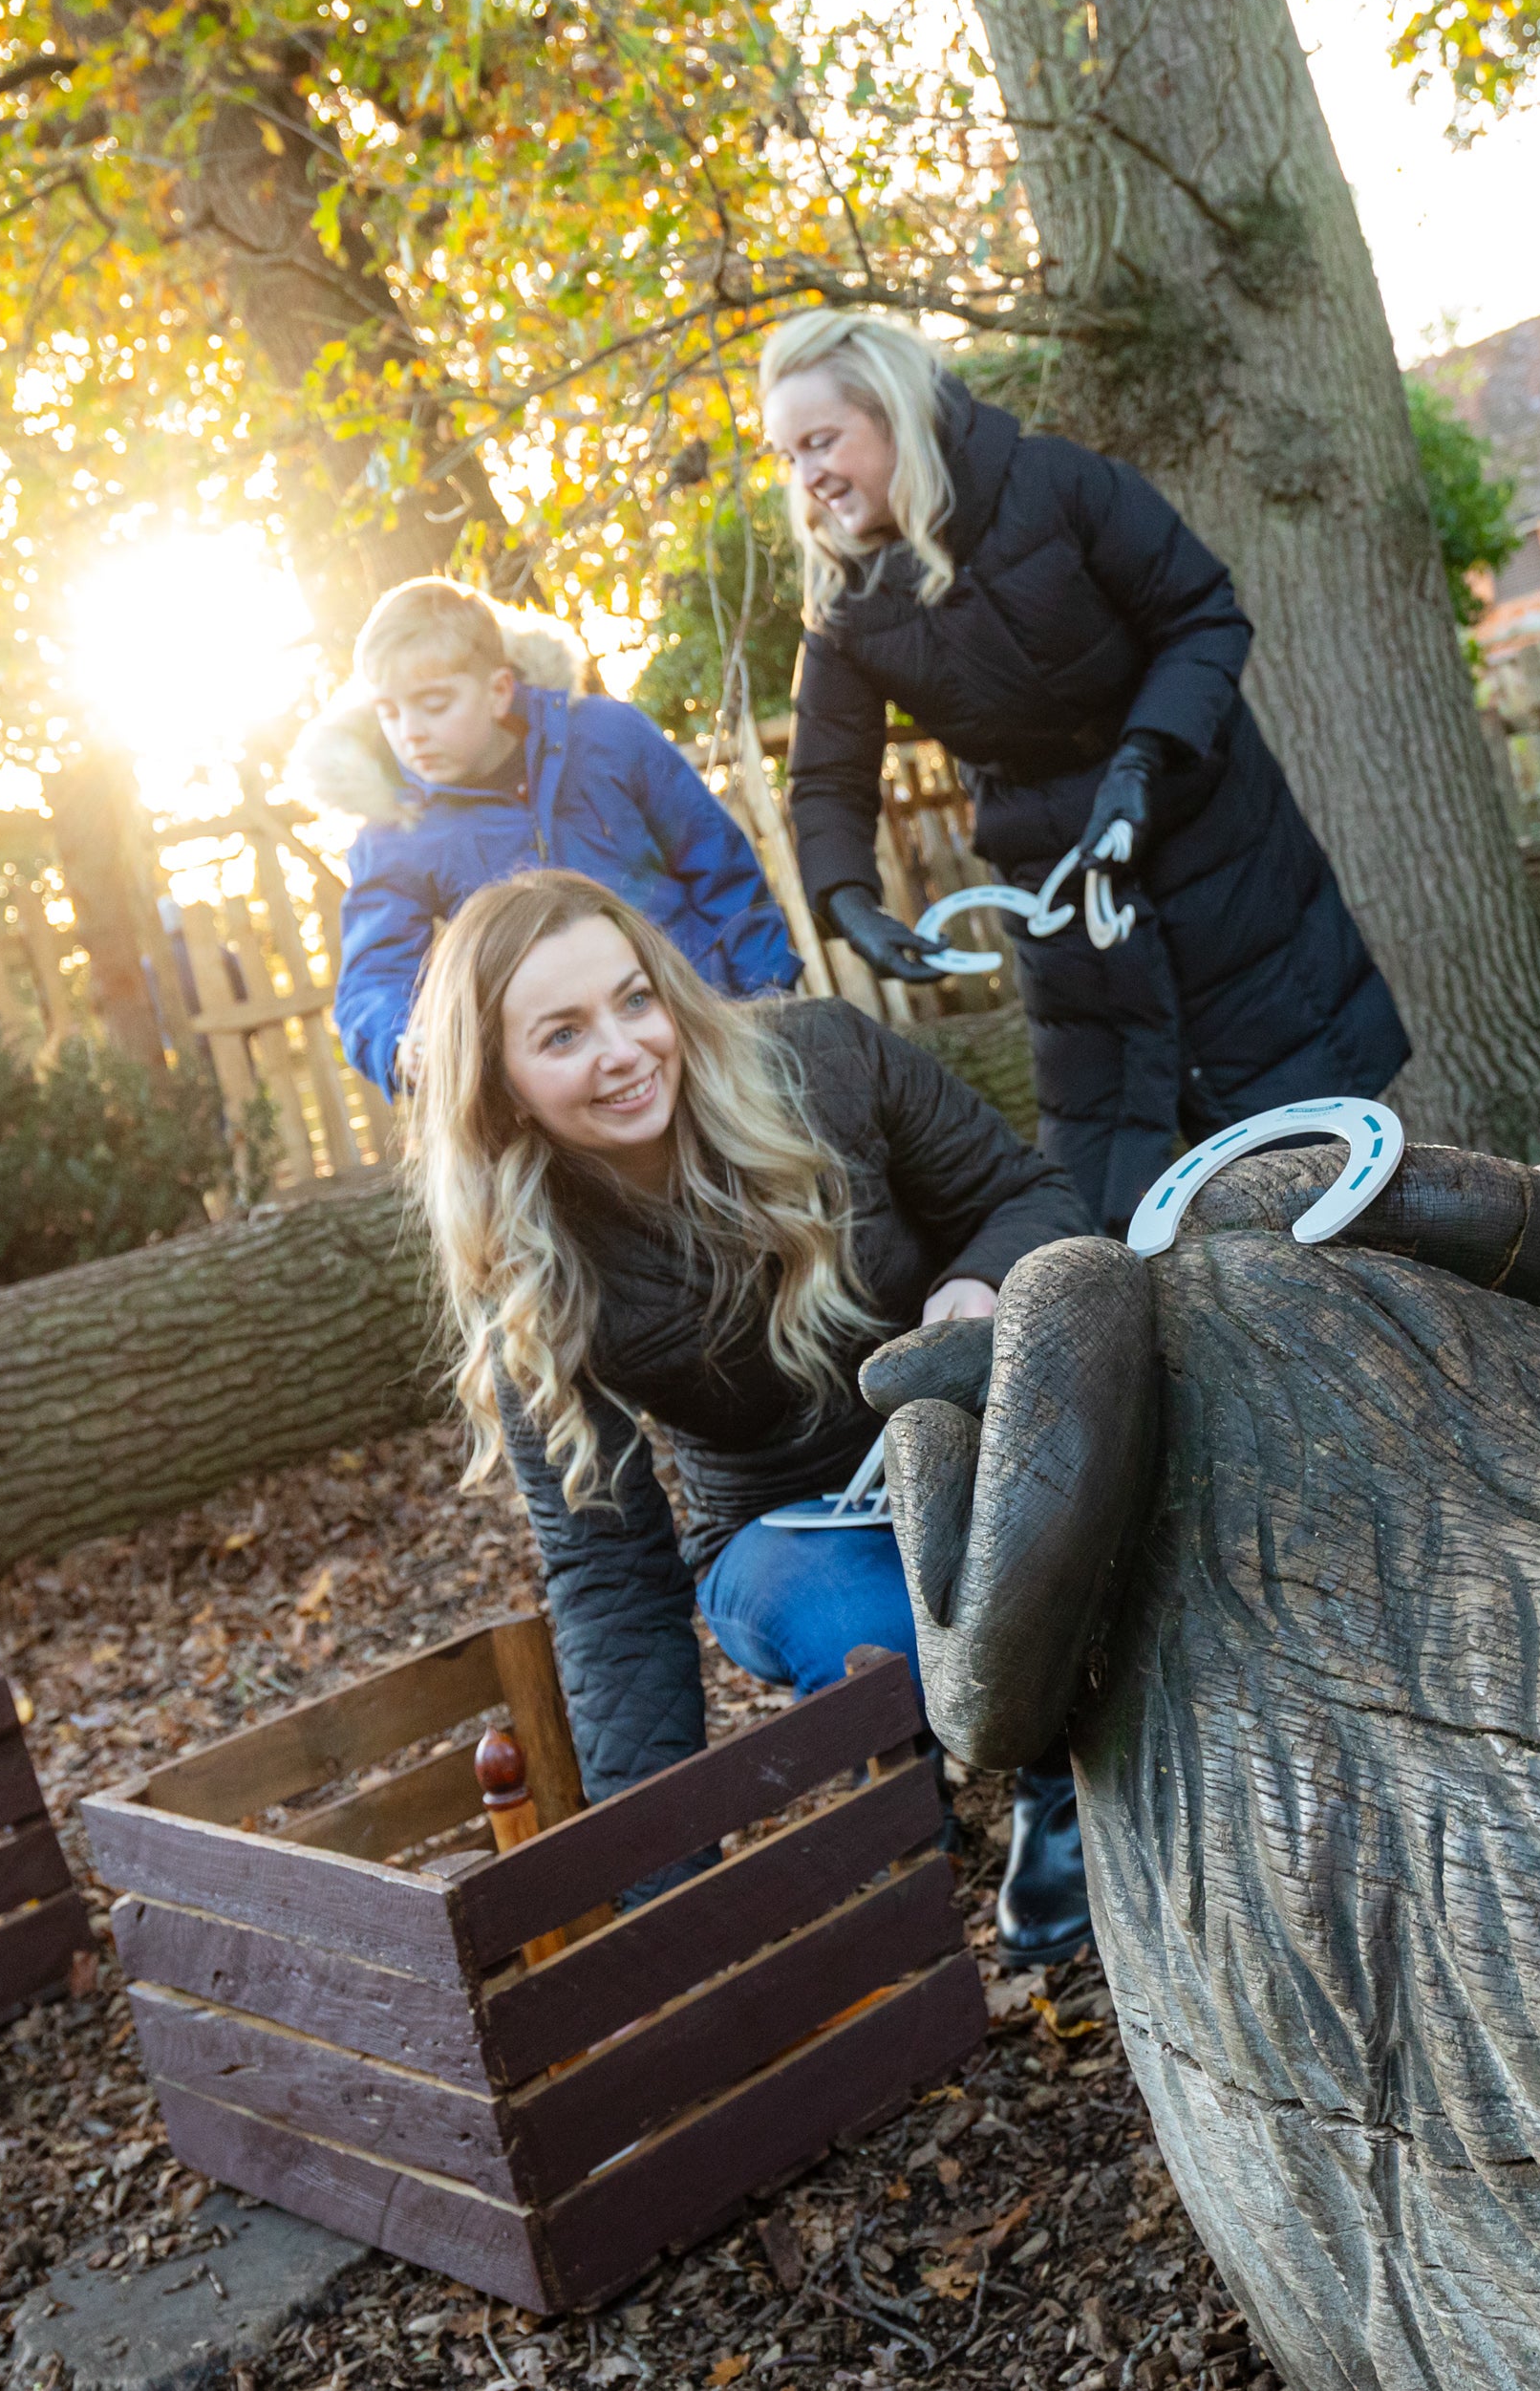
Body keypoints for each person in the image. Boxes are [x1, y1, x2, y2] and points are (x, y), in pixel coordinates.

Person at [407, 868, 1102, 1961]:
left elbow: (1030, 1195)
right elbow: (608, 1580)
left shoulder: (824, 1057)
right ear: (498, 1082)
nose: (624, 1049)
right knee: (868, 1635)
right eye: (563, 1034)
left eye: (635, 1000)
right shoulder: (533, 1275)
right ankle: (901, 1872)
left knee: (1071, 1551)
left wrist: (977, 1277)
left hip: (975, 1444)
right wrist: (659, 1893)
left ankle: (1062, 1804)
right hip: (786, 1522)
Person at [759, 310, 1407, 1227]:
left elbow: (1202, 614)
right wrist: (850, 902)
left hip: (1216, 854)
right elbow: (828, 777)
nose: (808, 477)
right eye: (788, 457)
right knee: (1109, 1198)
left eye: (821, 441)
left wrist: (1142, 765)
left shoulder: (1058, 483)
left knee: (1316, 1160)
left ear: (895, 413)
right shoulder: (846, 604)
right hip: (1064, 904)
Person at [297, 577, 802, 1094]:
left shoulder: (606, 736)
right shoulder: (395, 833)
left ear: (498, 692)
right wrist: (403, 1044)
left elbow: (717, 863)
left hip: (702, 1019)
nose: (410, 732)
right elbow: (373, 976)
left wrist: (761, 996)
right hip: (570, 1075)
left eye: (434, 703)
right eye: (390, 711)